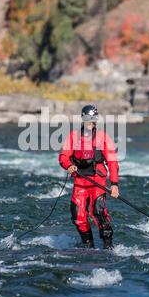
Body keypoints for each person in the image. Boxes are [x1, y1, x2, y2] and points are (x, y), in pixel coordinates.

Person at [59, 105, 119, 249]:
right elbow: (63, 156)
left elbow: (112, 162)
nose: (89, 122)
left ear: (95, 121)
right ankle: (88, 245)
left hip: (98, 182)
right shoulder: (73, 137)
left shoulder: (103, 138)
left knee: (99, 212)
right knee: (78, 217)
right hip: (80, 181)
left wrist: (114, 184)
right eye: (87, 119)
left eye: (92, 119)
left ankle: (108, 246)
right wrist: (69, 166)